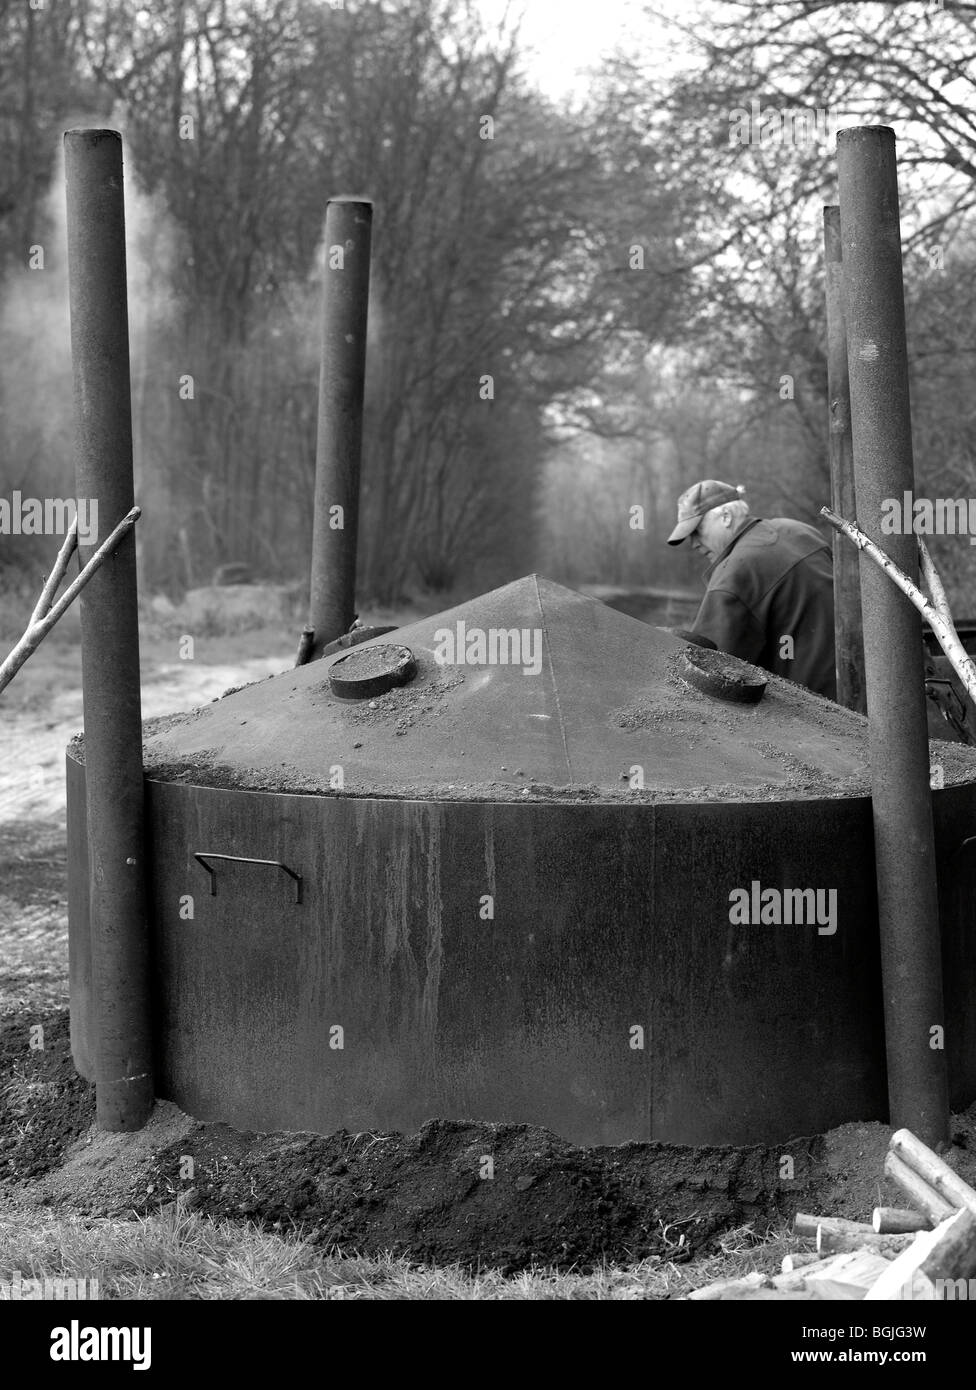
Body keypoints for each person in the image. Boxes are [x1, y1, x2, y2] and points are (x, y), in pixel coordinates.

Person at [666, 479, 837, 699]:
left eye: (696, 530)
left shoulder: (733, 574)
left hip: (817, 714)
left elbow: (708, 669)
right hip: (862, 686)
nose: (693, 543)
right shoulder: (800, 531)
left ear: (725, 517)